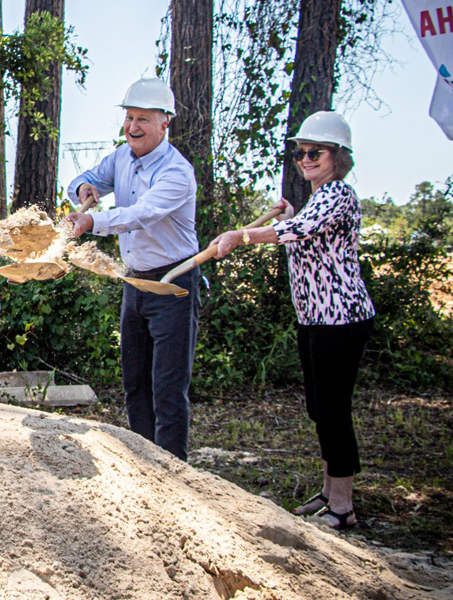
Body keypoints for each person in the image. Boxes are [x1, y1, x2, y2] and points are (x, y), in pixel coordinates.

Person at [209, 111, 373, 529]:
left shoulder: (339, 195)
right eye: (301, 152)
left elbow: (297, 233)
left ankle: (342, 505)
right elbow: (300, 232)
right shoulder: (319, 198)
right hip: (315, 318)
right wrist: (286, 217)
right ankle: (327, 492)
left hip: (341, 319)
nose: (305, 158)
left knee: (334, 409)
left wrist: (240, 236)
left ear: (337, 156)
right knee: (320, 408)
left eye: (315, 151)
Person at [63, 77, 199, 461]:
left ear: (164, 123)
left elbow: (142, 214)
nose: (133, 128)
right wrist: (84, 189)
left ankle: (172, 472)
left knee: (168, 387)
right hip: (134, 280)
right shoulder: (122, 157)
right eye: (129, 118)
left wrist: (93, 222)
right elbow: (87, 180)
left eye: (143, 119)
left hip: (174, 282)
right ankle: (144, 463)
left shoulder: (176, 172)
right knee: (135, 383)